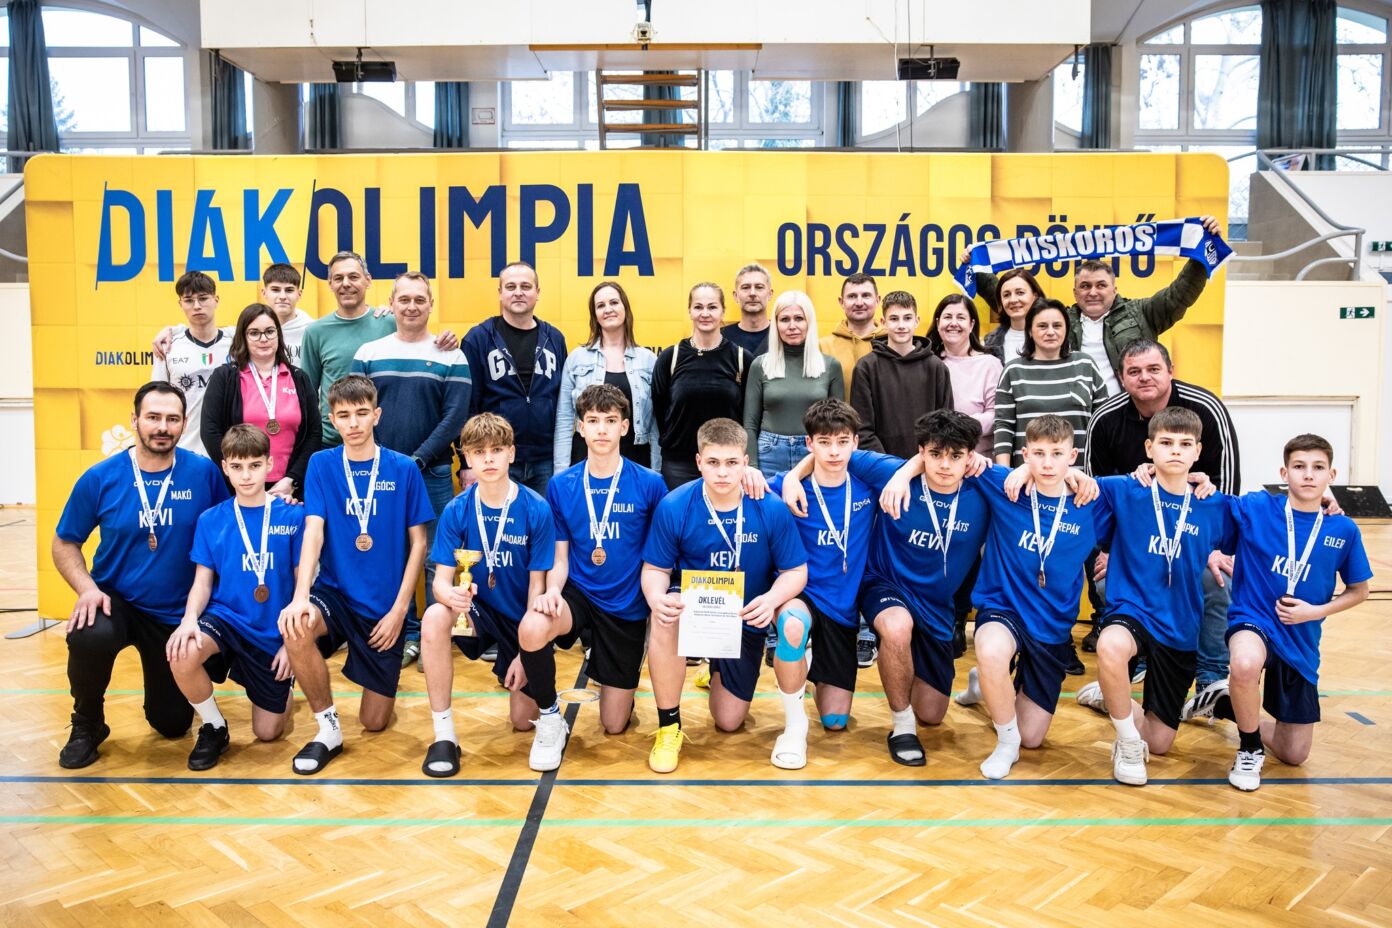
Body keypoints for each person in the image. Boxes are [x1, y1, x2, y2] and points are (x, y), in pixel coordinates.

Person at [783, 410, 992, 766]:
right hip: (883, 583)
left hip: (936, 604)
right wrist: (792, 477)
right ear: (921, 452)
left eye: (956, 456)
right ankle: (902, 726)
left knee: (933, 714)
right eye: (935, 454)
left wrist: (1078, 478)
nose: (945, 465)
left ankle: (972, 683)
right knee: (896, 628)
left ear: (970, 457)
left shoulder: (985, 486)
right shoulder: (887, 471)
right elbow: (832, 452)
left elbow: (1037, 475)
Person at [52, 382, 228, 768]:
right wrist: (86, 589)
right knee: (89, 631)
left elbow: (229, 531)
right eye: (153, 417)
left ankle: (171, 703)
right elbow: (64, 542)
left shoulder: (203, 473)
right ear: (134, 420)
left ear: (184, 423)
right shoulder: (101, 477)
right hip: (117, 601)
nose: (162, 427)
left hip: (176, 613)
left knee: (172, 725)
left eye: (172, 419)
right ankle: (87, 723)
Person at [1186, 435, 1371, 792]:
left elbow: (1359, 591)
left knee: (1294, 752)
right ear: (1284, 473)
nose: (1308, 475)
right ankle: (1249, 748)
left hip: (1300, 635)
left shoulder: (1343, 529)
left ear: (1331, 475)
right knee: (1244, 663)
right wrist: (1199, 480)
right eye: (1299, 466)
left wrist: (1315, 611)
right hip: (1254, 619)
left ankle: (1224, 703)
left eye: (1318, 467)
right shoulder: (1257, 508)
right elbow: (1206, 502)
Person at [276, 375, 434, 775]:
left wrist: (400, 612)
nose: (354, 423)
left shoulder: (403, 468)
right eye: (344, 415)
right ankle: (327, 727)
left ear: (376, 415)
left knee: (374, 722)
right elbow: (314, 531)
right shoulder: (321, 464)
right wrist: (300, 596)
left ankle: (378, 685)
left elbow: (419, 544)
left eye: (362, 413)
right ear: (332, 419)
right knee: (296, 626)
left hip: (384, 607)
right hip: (335, 595)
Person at [1072, 408, 1233, 785]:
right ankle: (1127, 741)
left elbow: (1271, 519)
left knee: (1159, 743)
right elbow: (1069, 479)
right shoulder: (1124, 489)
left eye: (1185, 444)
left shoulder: (1214, 503)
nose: (1175, 450)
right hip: (1133, 610)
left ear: (1198, 452)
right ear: (1149, 448)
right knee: (1111, 645)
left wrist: (1324, 500)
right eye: (1166, 443)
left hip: (1180, 626)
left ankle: (1109, 697)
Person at [641, 418, 808, 773]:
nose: (722, 472)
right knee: (664, 617)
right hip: (694, 613)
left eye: (732, 463)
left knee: (729, 720)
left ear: (746, 462)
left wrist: (771, 600)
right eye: (713, 462)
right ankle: (669, 726)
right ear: (698, 462)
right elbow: (655, 569)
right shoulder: (675, 505)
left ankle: (714, 669)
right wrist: (656, 598)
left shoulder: (769, 506)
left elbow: (796, 572)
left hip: (744, 616)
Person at [516, 385, 667, 770]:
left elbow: (659, 557)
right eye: (593, 421)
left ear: (625, 427)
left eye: (611, 421)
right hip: (579, 595)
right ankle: (550, 717)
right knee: (532, 626)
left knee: (614, 725)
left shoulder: (650, 483)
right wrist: (552, 590)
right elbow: (560, 556)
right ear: (580, 428)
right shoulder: (561, 485)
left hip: (626, 604)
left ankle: (620, 687)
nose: (602, 429)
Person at [956, 414, 1104, 779]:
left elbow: (1150, 481)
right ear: (1025, 454)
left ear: (1073, 456)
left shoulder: (1093, 499)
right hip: (1003, 607)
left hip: (1052, 625)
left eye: (1057, 454)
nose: (1047, 463)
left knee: (1033, 738)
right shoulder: (1006, 485)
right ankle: (1005, 743)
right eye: (1038, 454)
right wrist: (902, 476)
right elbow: (953, 457)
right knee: (992, 651)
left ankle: (984, 682)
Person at [1083, 339, 1240, 672]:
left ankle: (1211, 671)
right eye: (1134, 371)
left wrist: (1212, 547)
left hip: (1194, 535)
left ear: (1171, 371)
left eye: (1154, 369)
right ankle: (1140, 656)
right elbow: (1093, 493)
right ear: (1121, 378)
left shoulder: (1206, 408)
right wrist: (1110, 550)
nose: (1144, 377)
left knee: (1218, 579)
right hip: (1137, 541)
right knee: (1106, 581)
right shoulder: (1106, 418)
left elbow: (1226, 481)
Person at [417, 413, 556, 777]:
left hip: (521, 621)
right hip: (477, 611)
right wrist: (452, 596)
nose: (489, 459)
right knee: (434, 616)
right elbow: (440, 582)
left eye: (496, 450)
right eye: (479, 452)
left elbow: (537, 589)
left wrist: (526, 653)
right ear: (467, 457)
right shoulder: (457, 509)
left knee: (522, 721)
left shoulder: (536, 508)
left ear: (511, 453)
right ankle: (444, 736)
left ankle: (533, 679)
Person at [352, 271, 472, 669]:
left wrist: (415, 460)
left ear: (431, 305)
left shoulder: (452, 356)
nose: (411, 306)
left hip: (432, 473)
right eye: (404, 299)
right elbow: (358, 412)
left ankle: (435, 637)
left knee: (438, 558)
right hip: (379, 476)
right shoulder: (369, 353)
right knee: (393, 558)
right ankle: (405, 634)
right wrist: (388, 464)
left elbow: (453, 419)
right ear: (391, 303)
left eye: (420, 299)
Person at [166, 425, 303, 770]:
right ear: (225, 467)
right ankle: (214, 725)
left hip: (271, 631)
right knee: (182, 652)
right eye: (237, 467)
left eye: (254, 466)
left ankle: (285, 686)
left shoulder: (292, 516)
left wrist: (293, 646)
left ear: (269, 464)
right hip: (226, 619)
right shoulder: (211, 519)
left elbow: (304, 586)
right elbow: (202, 583)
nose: (246, 475)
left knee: (268, 732)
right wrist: (189, 620)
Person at [971, 216, 1221, 392]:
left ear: (1115, 289)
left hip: (1127, 414)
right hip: (1074, 418)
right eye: (1085, 286)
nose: (1092, 292)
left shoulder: (1142, 313)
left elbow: (1180, 294)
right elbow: (1009, 296)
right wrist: (976, 264)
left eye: (1101, 285)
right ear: (1075, 292)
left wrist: (1203, 248)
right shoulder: (1060, 319)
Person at [763, 400, 876, 769]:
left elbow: (919, 464)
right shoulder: (785, 486)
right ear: (809, 444)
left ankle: (806, 663)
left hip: (843, 608)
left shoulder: (868, 486)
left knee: (836, 721)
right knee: (792, 626)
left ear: (855, 442)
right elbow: (744, 484)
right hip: (802, 595)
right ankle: (794, 727)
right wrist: (753, 472)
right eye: (824, 442)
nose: (834, 452)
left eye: (842, 442)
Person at [299, 251, 459, 448]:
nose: (346, 283)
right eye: (338, 278)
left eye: (353, 277)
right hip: (331, 441)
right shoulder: (315, 332)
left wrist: (447, 340)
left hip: (381, 441)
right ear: (330, 284)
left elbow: (422, 341)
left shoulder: (390, 321)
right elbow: (307, 395)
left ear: (368, 280)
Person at [927, 293, 1004, 656]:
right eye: (947, 316)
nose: (953, 323)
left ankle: (960, 616)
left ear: (972, 324)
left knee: (969, 545)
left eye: (961, 317)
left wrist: (958, 430)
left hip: (976, 465)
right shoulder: (929, 361)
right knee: (939, 541)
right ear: (937, 323)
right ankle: (938, 613)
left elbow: (996, 413)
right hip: (936, 466)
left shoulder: (989, 363)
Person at [460, 261, 568, 496]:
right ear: (500, 293)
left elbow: (563, 404)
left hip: (545, 460)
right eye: (511, 287)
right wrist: (466, 463)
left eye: (525, 286)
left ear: (537, 292)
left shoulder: (555, 339)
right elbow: (467, 405)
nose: (518, 292)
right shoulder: (478, 339)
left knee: (544, 519)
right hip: (494, 456)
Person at [201, 304, 319, 502]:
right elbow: (210, 431)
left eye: (269, 331)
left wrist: (292, 480)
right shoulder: (225, 377)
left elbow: (314, 433)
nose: (263, 339)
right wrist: (239, 475)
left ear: (278, 335)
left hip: (289, 491)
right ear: (243, 337)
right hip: (239, 487)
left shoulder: (299, 378)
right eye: (254, 333)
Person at [652, 283, 755, 489]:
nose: (705, 314)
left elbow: (748, 415)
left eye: (712, 307)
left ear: (723, 311)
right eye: (698, 307)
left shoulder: (741, 358)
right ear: (689, 311)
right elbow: (660, 411)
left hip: (726, 465)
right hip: (679, 465)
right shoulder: (670, 358)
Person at [553, 281, 661, 474]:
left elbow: (655, 424)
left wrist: (656, 471)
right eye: (600, 305)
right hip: (586, 459)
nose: (608, 309)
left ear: (625, 308)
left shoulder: (648, 360)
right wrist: (561, 473)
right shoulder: (577, 359)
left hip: (636, 459)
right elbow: (564, 419)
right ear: (594, 315)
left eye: (614, 302)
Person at [993, 298, 1106, 467]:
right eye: (1042, 326)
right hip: (1027, 474)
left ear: (1066, 329)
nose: (1051, 332)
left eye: (1057, 325)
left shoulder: (1085, 364)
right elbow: (1003, 426)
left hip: (1080, 474)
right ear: (1030, 331)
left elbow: (1103, 421)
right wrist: (1004, 474)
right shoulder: (1013, 370)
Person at [742, 291, 844, 479]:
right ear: (776, 324)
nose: (792, 326)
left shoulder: (830, 366)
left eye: (799, 318)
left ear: (809, 322)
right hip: (769, 454)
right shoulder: (760, 365)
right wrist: (752, 467)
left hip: (814, 454)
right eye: (784, 319)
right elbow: (750, 423)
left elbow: (838, 425)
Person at [850, 291, 954, 459]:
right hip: (881, 467)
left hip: (926, 465)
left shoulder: (936, 368)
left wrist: (924, 462)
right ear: (883, 322)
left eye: (907, 318)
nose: (901, 325)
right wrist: (889, 466)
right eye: (894, 319)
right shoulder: (866, 367)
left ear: (916, 321)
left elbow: (946, 424)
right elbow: (863, 429)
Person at [153, 263, 315, 368]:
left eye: (289, 290)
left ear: (299, 294)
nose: (282, 296)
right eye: (275, 290)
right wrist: (172, 330)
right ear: (264, 292)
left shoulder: (313, 331)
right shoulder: (246, 329)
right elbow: (209, 331)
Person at [152, 271, 230, 457]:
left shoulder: (237, 341)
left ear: (216, 300)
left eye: (203, 298)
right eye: (189, 300)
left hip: (230, 451)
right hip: (185, 449)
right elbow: (157, 400)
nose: (197, 306)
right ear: (181, 304)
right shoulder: (168, 346)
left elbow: (268, 326)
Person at [820, 273, 885, 402]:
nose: (859, 303)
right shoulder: (823, 347)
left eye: (866, 295)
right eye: (852, 296)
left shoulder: (892, 344)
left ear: (877, 300)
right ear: (841, 302)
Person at [980, 268, 1044, 365]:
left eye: (1020, 293)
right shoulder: (989, 342)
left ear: (1035, 296)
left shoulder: (1055, 335)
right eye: (1006, 295)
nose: (1013, 300)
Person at [721, 263, 775, 356]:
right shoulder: (720, 338)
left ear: (770, 294)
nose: (752, 293)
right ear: (736, 296)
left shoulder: (782, 333)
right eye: (745, 287)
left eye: (759, 287)